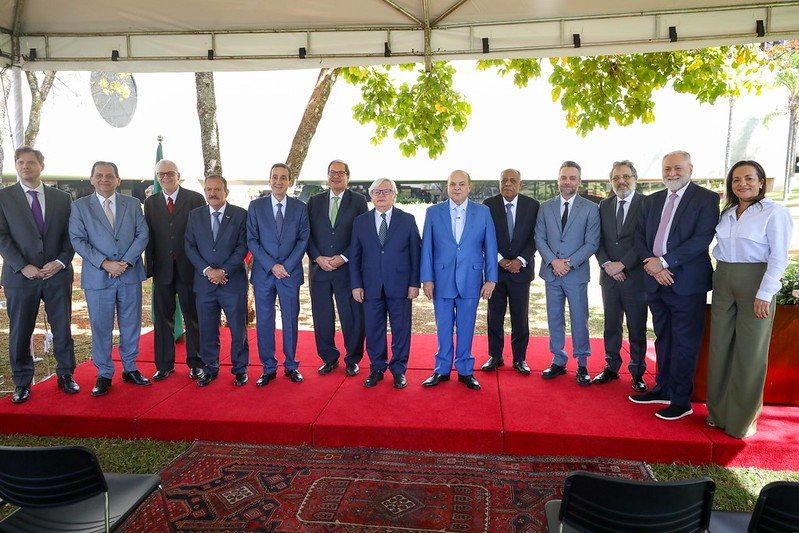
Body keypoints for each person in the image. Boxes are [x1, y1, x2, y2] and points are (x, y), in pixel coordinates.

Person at [706, 160, 793, 438]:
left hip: (756, 284)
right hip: (724, 281)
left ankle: (741, 421)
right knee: (719, 347)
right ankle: (718, 413)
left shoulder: (774, 212)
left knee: (750, 352)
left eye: (749, 178)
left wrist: (765, 293)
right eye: (736, 180)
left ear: (761, 182)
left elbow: (779, 257)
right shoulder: (727, 213)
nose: (742, 184)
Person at [631, 150, 719, 420]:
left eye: (678, 168)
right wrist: (652, 264)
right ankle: (662, 389)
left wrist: (664, 262)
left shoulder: (706, 199)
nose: (672, 173)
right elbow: (639, 236)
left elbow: (701, 239)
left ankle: (681, 401)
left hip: (686, 284)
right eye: (667, 168)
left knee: (685, 343)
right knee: (664, 339)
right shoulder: (652, 200)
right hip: (655, 282)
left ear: (690, 168)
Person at [0, 147, 76, 403]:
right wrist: (23, 266)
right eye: (20, 162)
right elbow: (2, 236)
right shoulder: (3, 197)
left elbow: (71, 235)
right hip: (20, 277)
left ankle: (66, 375)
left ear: (41, 166)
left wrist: (60, 262)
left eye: (31, 162)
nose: (25, 166)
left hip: (57, 275)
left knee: (62, 328)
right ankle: (22, 382)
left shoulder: (62, 198)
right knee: (20, 331)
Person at [69, 161, 150, 396]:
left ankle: (130, 368)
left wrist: (125, 263)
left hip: (129, 273)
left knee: (131, 324)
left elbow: (142, 234)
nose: (104, 179)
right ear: (92, 179)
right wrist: (105, 263)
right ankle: (104, 373)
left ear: (118, 180)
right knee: (101, 326)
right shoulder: (79, 207)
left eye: (109, 176)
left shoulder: (133, 204)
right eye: (99, 175)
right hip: (98, 276)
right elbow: (77, 239)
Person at [420, 170, 498, 390]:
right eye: (452, 184)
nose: (457, 188)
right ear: (447, 187)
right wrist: (427, 278)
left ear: (469, 187)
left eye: (461, 184)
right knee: (443, 327)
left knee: (466, 326)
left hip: (471, 279)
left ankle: (465, 370)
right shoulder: (433, 212)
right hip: (441, 279)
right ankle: (442, 369)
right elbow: (427, 248)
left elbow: (490, 247)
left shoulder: (483, 212)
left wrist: (491, 278)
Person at [350, 178, 421, 389]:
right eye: (376, 191)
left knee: (401, 330)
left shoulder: (407, 220)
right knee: (373, 330)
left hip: (401, 286)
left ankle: (399, 370)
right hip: (370, 286)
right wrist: (356, 285)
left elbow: (415, 254)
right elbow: (355, 256)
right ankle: (377, 368)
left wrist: (414, 283)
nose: (381, 195)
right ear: (371, 195)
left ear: (394, 195)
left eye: (386, 191)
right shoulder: (360, 222)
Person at [535, 161, 600, 386]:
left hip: (576, 274)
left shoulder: (591, 208)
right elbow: (539, 238)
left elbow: (592, 243)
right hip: (551, 272)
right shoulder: (545, 207)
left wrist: (568, 264)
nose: (567, 182)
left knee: (579, 318)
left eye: (572, 178)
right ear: (558, 179)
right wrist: (554, 261)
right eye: (564, 177)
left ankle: (582, 364)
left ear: (579, 181)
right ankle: (558, 360)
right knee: (554, 318)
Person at [144, 159, 207, 381]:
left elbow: (202, 234)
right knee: (163, 319)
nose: (165, 177)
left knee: (193, 317)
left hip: (189, 268)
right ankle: (164, 365)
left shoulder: (195, 199)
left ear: (178, 175)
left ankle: (197, 363)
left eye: (170, 173)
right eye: (161, 174)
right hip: (162, 270)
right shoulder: (151, 203)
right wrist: (149, 268)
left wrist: (202, 266)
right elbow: (149, 237)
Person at [247, 163, 310, 386]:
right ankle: (268, 367)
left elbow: (303, 239)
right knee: (264, 321)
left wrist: (287, 266)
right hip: (264, 273)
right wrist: (272, 265)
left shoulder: (300, 208)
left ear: (290, 181)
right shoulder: (256, 206)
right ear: (269, 179)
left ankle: (291, 365)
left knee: (290, 320)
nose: (279, 181)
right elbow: (252, 239)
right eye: (275, 177)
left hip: (289, 274)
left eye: (283, 177)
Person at [184, 175, 250, 387]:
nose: (212, 193)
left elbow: (243, 246)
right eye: (209, 189)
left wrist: (223, 271)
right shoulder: (195, 215)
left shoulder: (240, 214)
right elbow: (189, 246)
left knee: (238, 329)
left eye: (217, 189)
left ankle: (240, 369)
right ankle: (210, 368)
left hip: (232, 282)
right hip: (205, 283)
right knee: (207, 329)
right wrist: (208, 271)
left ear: (226, 192)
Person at [307, 159, 368, 377]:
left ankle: (352, 359)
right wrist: (317, 257)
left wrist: (344, 257)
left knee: (352, 316)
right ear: (327, 175)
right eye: (332, 172)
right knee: (322, 317)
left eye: (340, 173)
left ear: (347, 177)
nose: (336, 176)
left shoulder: (358, 201)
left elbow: (363, 234)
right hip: (320, 270)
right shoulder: (314, 201)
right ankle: (329, 358)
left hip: (347, 270)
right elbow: (306, 234)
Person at [593, 160, 648, 392]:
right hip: (609, 278)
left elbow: (645, 240)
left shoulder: (646, 204)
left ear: (635, 179)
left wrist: (623, 265)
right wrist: (608, 265)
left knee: (637, 327)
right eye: (616, 178)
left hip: (635, 277)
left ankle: (637, 372)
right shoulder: (604, 205)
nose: (621, 181)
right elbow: (598, 239)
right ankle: (611, 367)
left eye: (626, 176)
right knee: (611, 325)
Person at [481, 168, 539, 375]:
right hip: (495, 272)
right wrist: (500, 260)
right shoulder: (488, 205)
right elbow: (484, 236)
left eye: (512, 180)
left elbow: (536, 236)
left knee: (520, 317)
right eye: (504, 180)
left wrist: (521, 260)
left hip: (521, 272)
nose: (507, 184)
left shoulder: (532, 205)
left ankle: (519, 358)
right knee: (494, 316)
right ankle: (495, 356)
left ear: (520, 184)